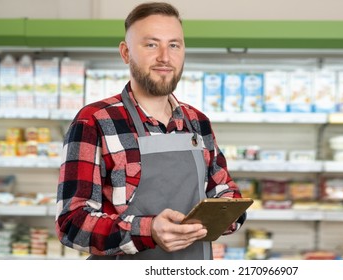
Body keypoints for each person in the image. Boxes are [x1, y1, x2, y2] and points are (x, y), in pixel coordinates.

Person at [55, 1, 245, 260]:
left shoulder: (198, 122)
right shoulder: (94, 121)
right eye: (151, 44)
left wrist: (229, 212)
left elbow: (224, 191)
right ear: (125, 53)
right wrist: (148, 230)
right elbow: (72, 223)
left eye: (174, 45)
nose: (165, 57)